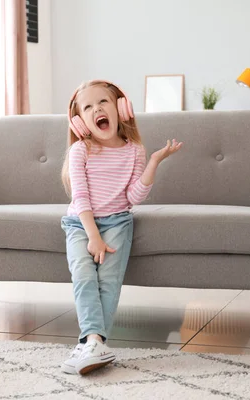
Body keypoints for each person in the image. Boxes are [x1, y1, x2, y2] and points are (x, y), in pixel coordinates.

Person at [60, 79, 183, 375]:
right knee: (83, 274)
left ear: (121, 108)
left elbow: (133, 198)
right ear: (80, 122)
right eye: (87, 107)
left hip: (117, 220)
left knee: (109, 280)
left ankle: (92, 343)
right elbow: (81, 197)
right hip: (80, 222)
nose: (96, 109)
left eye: (102, 102)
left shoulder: (134, 151)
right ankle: (93, 341)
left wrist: (153, 163)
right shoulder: (80, 151)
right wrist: (93, 237)